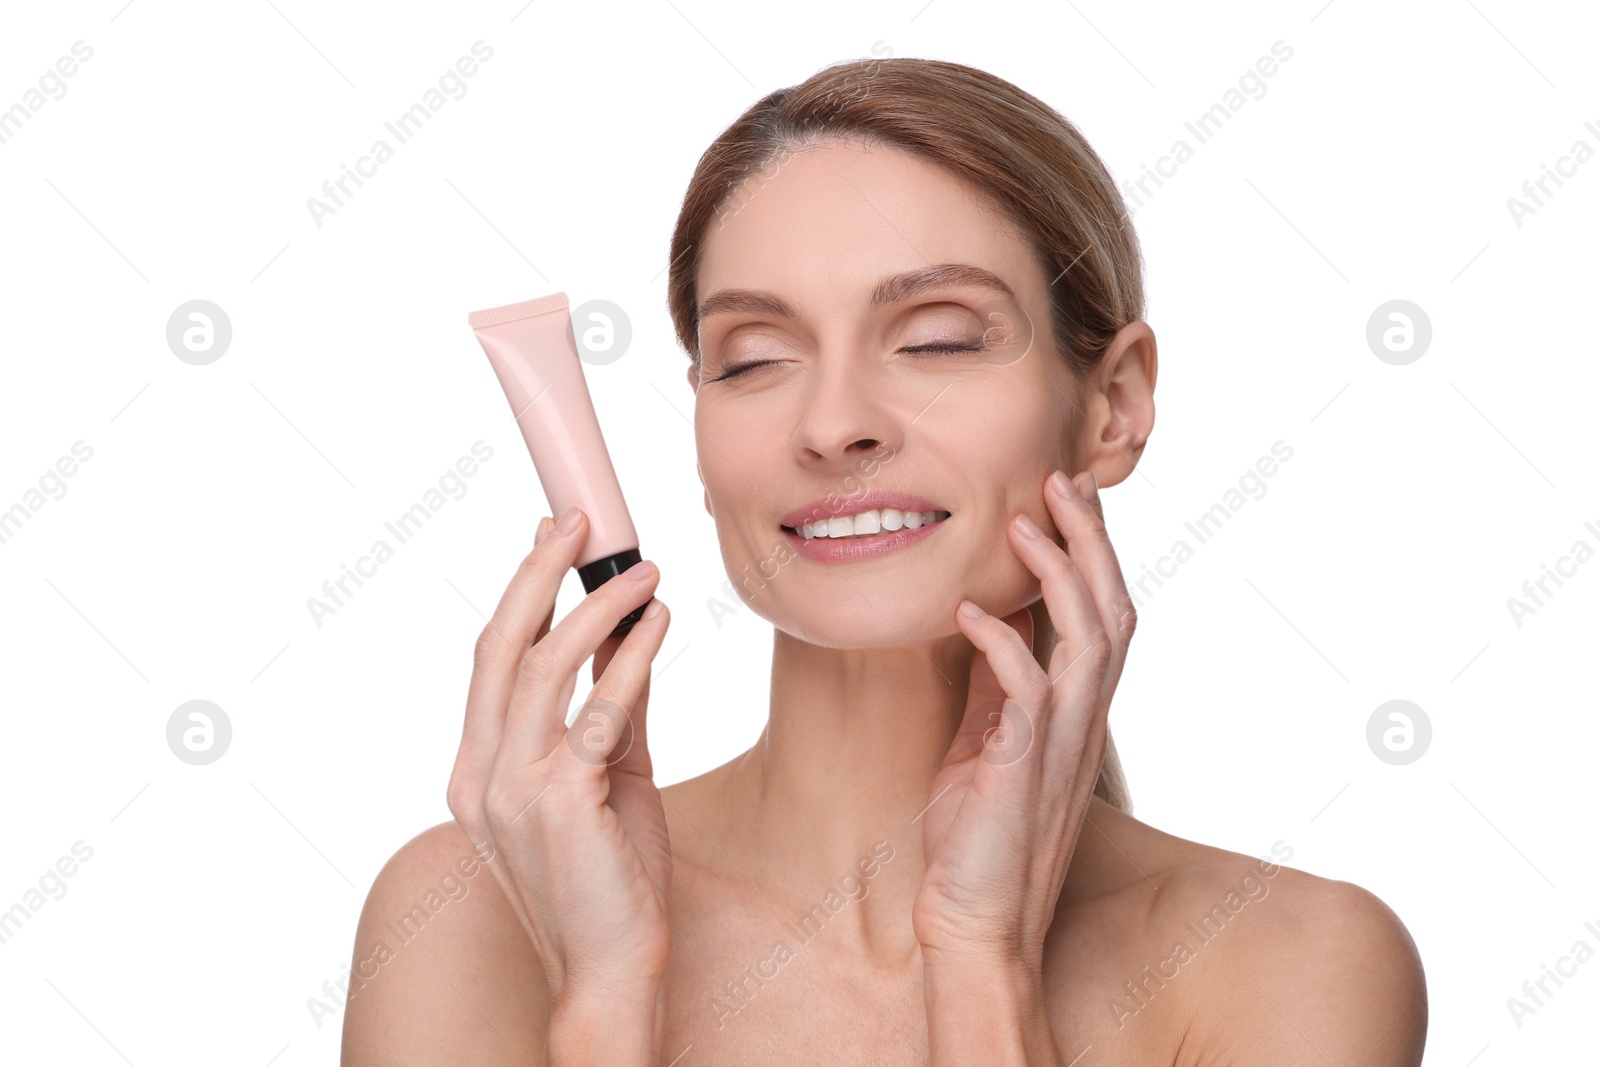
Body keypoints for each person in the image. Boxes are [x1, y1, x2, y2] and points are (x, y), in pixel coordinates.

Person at [342, 57, 1426, 1064]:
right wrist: (606, 993)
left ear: (1115, 403)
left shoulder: (1287, 958)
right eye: (754, 358)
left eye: (938, 338)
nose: (834, 422)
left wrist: (981, 956)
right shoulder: (470, 918)